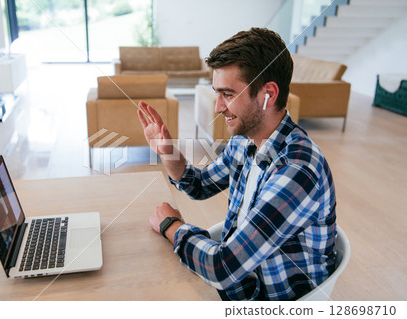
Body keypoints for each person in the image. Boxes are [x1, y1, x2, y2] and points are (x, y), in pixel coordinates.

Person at [137, 27, 336, 301]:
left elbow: (222, 268)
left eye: (228, 94)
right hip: (243, 279)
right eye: (217, 93)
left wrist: (171, 225)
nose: (218, 107)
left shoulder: (297, 170)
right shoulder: (245, 142)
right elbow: (200, 185)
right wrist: (167, 152)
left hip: (269, 298)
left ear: (268, 94)